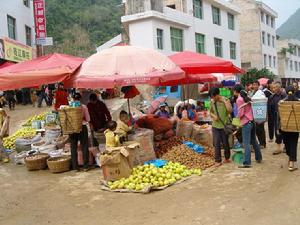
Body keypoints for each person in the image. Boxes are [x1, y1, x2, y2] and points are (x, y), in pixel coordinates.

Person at [234, 84, 262, 168]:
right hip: (252, 121)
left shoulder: (239, 99)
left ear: (236, 91)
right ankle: (258, 157)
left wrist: (236, 118)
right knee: (253, 140)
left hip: (246, 123)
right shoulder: (246, 97)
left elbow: (241, 113)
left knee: (246, 143)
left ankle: (247, 162)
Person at [209, 87, 232, 166]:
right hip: (215, 126)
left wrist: (224, 102)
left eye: (213, 96)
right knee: (216, 143)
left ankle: (227, 157)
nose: (212, 98)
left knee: (225, 143)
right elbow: (210, 112)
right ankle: (218, 160)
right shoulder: (212, 102)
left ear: (217, 94)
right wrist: (214, 116)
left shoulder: (226, 100)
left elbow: (229, 110)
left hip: (224, 125)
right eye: (211, 97)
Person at [69, 93, 90, 172]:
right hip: (82, 127)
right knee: (84, 146)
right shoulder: (83, 107)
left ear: (73, 99)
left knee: (73, 147)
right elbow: (88, 119)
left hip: (72, 128)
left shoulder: (69, 107)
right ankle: (85, 166)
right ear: (80, 99)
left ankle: (75, 167)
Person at [280, 86, 299, 171]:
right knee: (293, 144)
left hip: (285, 127)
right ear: (294, 92)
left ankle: (290, 159)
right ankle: (291, 163)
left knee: (287, 143)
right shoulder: (298, 102)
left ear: (286, 92)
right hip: (295, 126)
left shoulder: (281, 103)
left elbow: (279, 116)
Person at [269, 82, 287, 155]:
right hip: (275, 117)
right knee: (277, 133)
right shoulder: (271, 97)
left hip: (284, 117)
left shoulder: (285, 96)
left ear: (279, 88)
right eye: (274, 87)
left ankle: (286, 146)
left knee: (285, 132)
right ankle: (278, 148)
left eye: (276, 87)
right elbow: (270, 107)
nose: (275, 89)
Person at [252, 81, 266, 149]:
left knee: (261, 129)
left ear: (258, 85)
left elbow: (263, 102)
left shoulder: (261, 93)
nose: (254, 86)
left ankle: (263, 143)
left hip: (260, 113)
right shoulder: (253, 93)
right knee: (257, 129)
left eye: (256, 85)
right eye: (253, 85)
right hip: (255, 114)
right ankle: (261, 142)